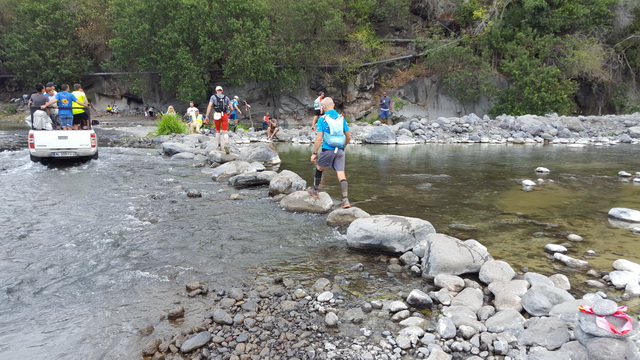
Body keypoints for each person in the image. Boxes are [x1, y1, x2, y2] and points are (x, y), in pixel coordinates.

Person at [308, 97, 352, 209]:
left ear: (324, 107)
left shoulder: (322, 119)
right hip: (340, 149)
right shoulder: (341, 118)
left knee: (319, 168)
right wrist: (343, 147)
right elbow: (348, 137)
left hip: (328, 149)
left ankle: (315, 190)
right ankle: (345, 200)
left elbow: (318, 139)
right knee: (341, 174)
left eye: (322, 106)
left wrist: (314, 153)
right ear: (333, 105)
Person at [205, 85, 232, 154]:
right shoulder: (226, 98)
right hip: (224, 115)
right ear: (222, 91)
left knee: (217, 130)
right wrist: (229, 113)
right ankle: (226, 144)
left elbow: (209, 106)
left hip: (217, 114)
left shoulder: (213, 97)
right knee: (225, 130)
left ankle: (218, 145)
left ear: (216, 91)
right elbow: (231, 108)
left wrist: (207, 116)